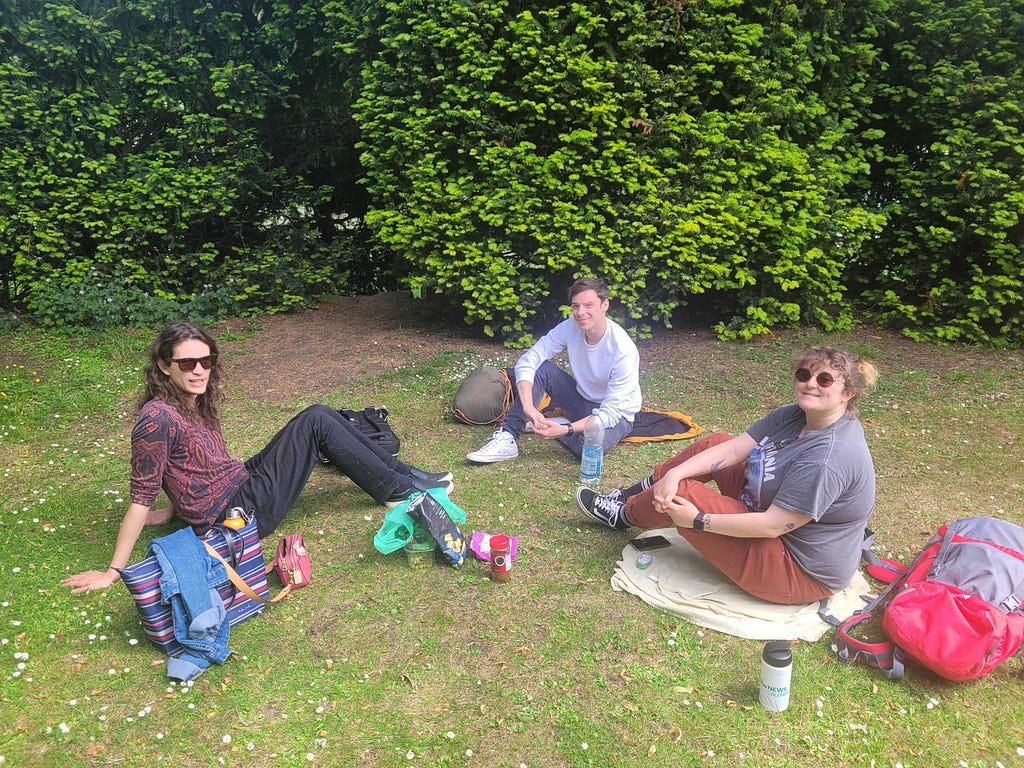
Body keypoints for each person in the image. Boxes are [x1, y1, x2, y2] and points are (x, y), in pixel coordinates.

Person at [64, 321, 453, 594]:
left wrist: (172, 512)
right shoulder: (156, 419)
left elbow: (180, 468)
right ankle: (400, 488)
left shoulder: (189, 399)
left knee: (317, 416)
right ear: (164, 367)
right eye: (187, 364)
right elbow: (141, 493)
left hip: (239, 481)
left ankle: (406, 478)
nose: (199, 371)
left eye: (206, 360)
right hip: (234, 513)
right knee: (317, 419)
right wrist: (113, 571)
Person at [576, 346, 878, 605]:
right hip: (766, 515)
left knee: (684, 495)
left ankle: (624, 516)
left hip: (796, 568)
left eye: (824, 379)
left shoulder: (828, 458)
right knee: (716, 443)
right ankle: (638, 493)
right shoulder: (796, 414)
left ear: (847, 393)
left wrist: (697, 521)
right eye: (804, 375)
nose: (811, 384)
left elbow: (773, 526)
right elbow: (734, 450)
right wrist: (674, 472)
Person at [466, 277, 642, 463]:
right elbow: (529, 359)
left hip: (617, 416)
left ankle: (560, 426)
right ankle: (508, 436)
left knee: (588, 449)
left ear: (604, 305)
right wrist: (528, 407)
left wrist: (567, 429)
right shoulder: (570, 326)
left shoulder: (623, 350)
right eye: (575, 306)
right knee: (542, 367)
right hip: (582, 400)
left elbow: (611, 413)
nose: (581, 313)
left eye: (588, 305)